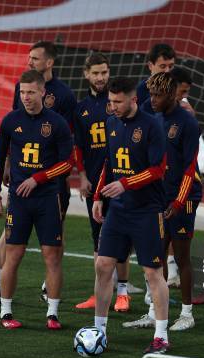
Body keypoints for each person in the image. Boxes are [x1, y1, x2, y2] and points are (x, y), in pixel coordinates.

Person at [0, 41, 77, 302]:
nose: (29, 62)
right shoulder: (22, 87)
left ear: (49, 63)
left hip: (52, 181)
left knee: (54, 240)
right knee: (9, 238)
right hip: (22, 180)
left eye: (35, 59)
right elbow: (13, 132)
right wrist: (7, 165)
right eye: (29, 58)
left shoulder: (64, 95)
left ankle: (47, 289)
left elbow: (68, 140)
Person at [91, 76, 170, 354]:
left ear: (133, 99)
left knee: (152, 273)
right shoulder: (111, 123)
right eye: (110, 101)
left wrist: (124, 184)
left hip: (147, 210)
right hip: (119, 210)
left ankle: (161, 335)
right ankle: (98, 329)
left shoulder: (152, 126)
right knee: (102, 265)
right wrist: (100, 195)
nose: (111, 106)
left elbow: (157, 170)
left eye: (117, 101)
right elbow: (109, 164)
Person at [72, 52, 133, 312]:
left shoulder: (119, 103)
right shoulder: (81, 108)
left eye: (104, 72)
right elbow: (78, 146)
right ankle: (99, 294)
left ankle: (123, 293)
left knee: (122, 240)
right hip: (95, 183)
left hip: (121, 182)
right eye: (95, 73)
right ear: (86, 74)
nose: (100, 78)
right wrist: (83, 176)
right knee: (99, 240)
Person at [149, 72, 202, 331]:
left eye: (158, 95)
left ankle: (187, 314)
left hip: (184, 198)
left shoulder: (187, 123)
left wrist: (178, 202)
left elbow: (190, 168)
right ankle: (154, 312)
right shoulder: (154, 119)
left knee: (181, 257)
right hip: (160, 198)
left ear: (171, 95)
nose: (153, 100)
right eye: (151, 94)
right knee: (156, 256)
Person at [138, 43, 176, 114]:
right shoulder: (140, 90)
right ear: (150, 66)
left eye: (170, 66)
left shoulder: (176, 86)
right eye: (162, 66)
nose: (167, 71)